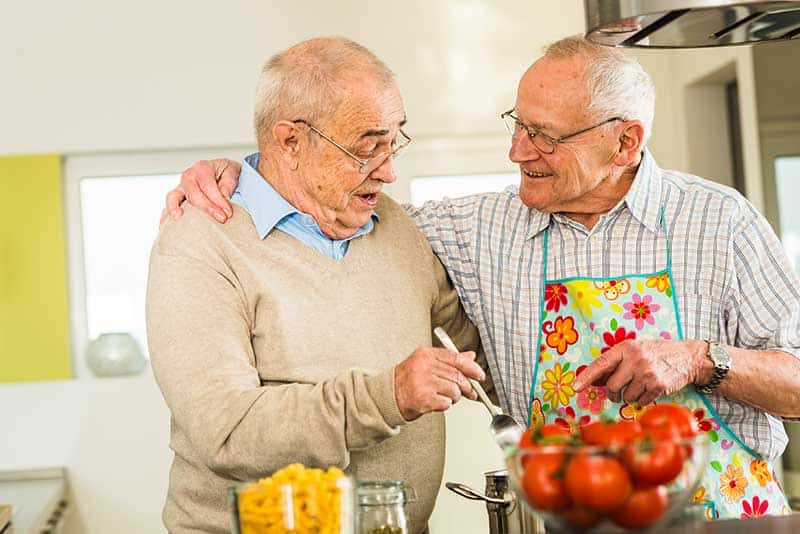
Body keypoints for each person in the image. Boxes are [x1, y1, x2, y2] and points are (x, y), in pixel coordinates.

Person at [167, 35, 800, 519]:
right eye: (517, 124)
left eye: (546, 137)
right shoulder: (473, 231)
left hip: (725, 519)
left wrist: (700, 359)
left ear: (625, 142)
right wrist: (244, 177)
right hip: (565, 523)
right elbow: (328, 199)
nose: (518, 152)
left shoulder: (721, 223)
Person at [147, 37, 487, 534]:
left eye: (395, 141)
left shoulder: (397, 228)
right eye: (368, 147)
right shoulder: (200, 242)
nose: (390, 171)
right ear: (290, 142)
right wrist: (387, 395)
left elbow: (477, 349)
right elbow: (227, 431)